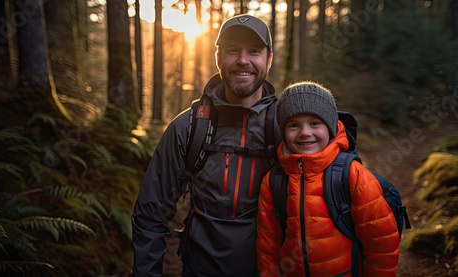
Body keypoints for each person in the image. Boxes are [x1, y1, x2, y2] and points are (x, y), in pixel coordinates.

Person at [132, 15, 280, 276]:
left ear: (268, 59)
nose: (243, 60)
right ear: (218, 59)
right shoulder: (188, 128)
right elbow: (150, 214)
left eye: (254, 51)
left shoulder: (287, 127)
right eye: (233, 50)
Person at [256, 82, 400, 276]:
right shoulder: (274, 180)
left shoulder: (352, 174)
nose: (305, 132)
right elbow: (268, 244)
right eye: (293, 125)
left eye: (315, 123)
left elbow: (381, 243)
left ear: (330, 127)